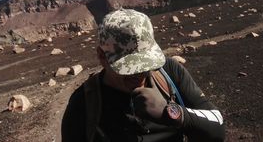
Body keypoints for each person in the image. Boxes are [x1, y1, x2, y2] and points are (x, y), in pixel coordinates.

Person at [62, 8, 225, 142]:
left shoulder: (169, 71)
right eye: (130, 66)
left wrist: (171, 113)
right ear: (102, 56)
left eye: (147, 63)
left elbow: (217, 127)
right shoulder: (83, 103)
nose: (141, 73)